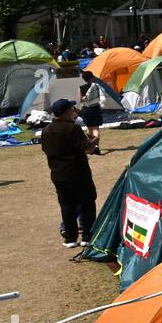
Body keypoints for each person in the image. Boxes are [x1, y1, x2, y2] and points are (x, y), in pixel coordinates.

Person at [41, 99, 97, 248]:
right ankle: (87, 236)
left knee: (67, 206)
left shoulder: (47, 130)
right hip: (78, 173)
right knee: (86, 203)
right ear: (66, 112)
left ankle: (70, 238)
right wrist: (95, 138)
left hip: (59, 175)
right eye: (72, 109)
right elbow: (88, 148)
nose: (74, 111)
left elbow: (46, 150)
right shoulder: (73, 129)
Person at [77, 70, 105, 154]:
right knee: (96, 128)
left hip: (86, 109)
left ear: (83, 79)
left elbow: (81, 100)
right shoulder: (97, 86)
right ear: (92, 77)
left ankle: (90, 147)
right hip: (95, 108)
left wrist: (86, 97)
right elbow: (102, 95)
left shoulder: (81, 88)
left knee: (89, 128)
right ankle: (96, 146)